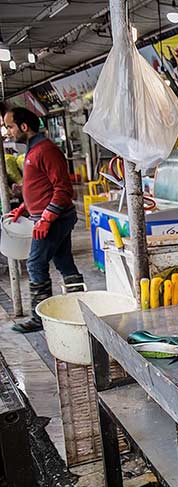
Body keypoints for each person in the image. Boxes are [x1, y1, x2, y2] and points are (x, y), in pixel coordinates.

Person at [3, 107, 84, 333]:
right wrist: (23, 208)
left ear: (24, 126)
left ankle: (39, 318)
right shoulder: (32, 150)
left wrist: (47, 218)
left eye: (10, 126)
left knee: (35, 263)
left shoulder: (46, 150)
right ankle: (81, 307)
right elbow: (39, 188)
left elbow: (62, 189)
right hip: (46, 217)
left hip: (56, 219)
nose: (8, 131)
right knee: (64, 262)